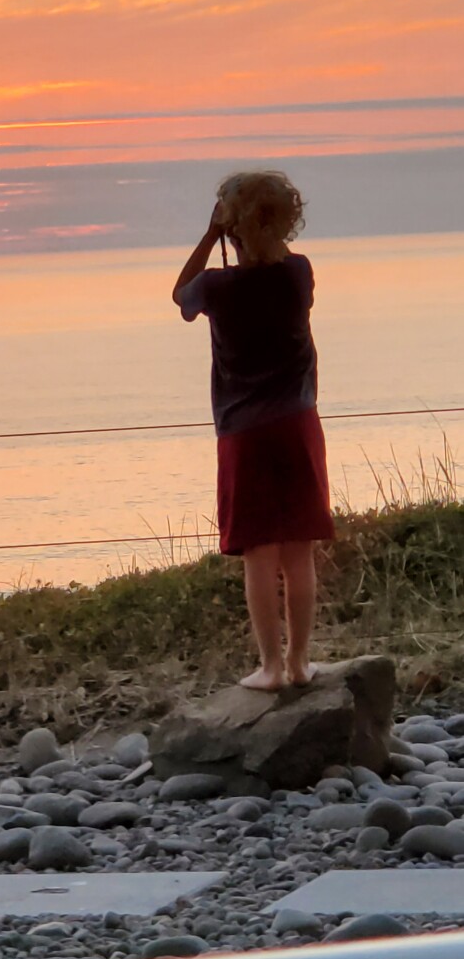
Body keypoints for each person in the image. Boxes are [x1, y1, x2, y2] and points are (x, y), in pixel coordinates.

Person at [172, 170, 335, 691]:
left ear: (232, 227)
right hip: (298, 425)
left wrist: (211, 234)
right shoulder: (298, 275)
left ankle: (269, 667)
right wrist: (252, 226)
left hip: (244, 433)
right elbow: (276, 255)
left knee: (260, 555)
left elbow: (181, 297)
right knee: (298, 549)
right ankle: (300, 662)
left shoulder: (218, 287)